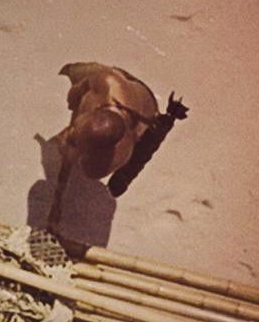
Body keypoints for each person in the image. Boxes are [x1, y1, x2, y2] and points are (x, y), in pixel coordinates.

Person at [46, 61, 188, 228]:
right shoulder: (105, 82)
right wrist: (75, 96)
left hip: (145, 108)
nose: (65, 136)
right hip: (116, 83)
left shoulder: (122, 150)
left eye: (73, 139)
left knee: (119, 183)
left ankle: (166, 121)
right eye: (73, 131)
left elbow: (139, 158)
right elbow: (78, 91)